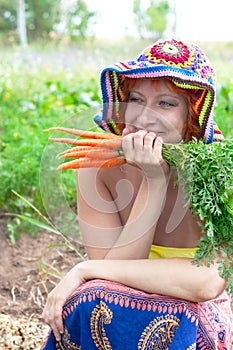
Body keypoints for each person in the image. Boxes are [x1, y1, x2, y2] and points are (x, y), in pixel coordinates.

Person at [42, 38, 233, 349]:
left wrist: (84, 269)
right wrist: (152, 182)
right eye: (136, 99)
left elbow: (208, 282)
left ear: (191, 120)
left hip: (198, 320)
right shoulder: (97, 169)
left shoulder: (221, 172)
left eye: (166, 103)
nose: (145, 117)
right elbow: (107, 285)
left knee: (187, 316)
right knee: (89, 301)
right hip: (127, 310)